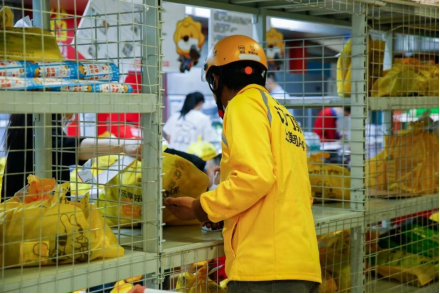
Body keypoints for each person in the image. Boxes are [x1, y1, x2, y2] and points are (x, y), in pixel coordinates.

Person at [164, 35, 322, 294]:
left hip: (265, 268)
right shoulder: (282, 115)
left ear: (217, 79)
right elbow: (286, 190)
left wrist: (201, 207)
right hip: (300, 263)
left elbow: (255, 178)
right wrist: (224, 213)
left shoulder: (242, 106)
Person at [1, 114, 142, 200]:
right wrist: (122, 145)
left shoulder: (27, 124)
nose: (72, 116)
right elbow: (62, 148)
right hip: (27, 218)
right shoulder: (37, 126)